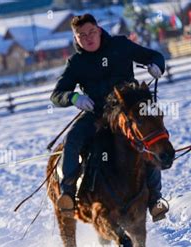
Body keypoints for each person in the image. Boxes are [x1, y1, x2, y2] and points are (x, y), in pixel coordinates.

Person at [50, 14, 168, 222]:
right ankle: (68, 194)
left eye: (91, 32)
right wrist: (73, 97)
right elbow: (56, 95)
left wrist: (157, 65)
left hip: (128, 113)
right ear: (75, 38)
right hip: (97, 116)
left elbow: (154, 56)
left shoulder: (120, 46)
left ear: (99, 29)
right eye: (81, 35)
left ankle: (155, 200)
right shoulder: (76, 63)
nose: (88, 38)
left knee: (147, 140)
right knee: (73, 140)